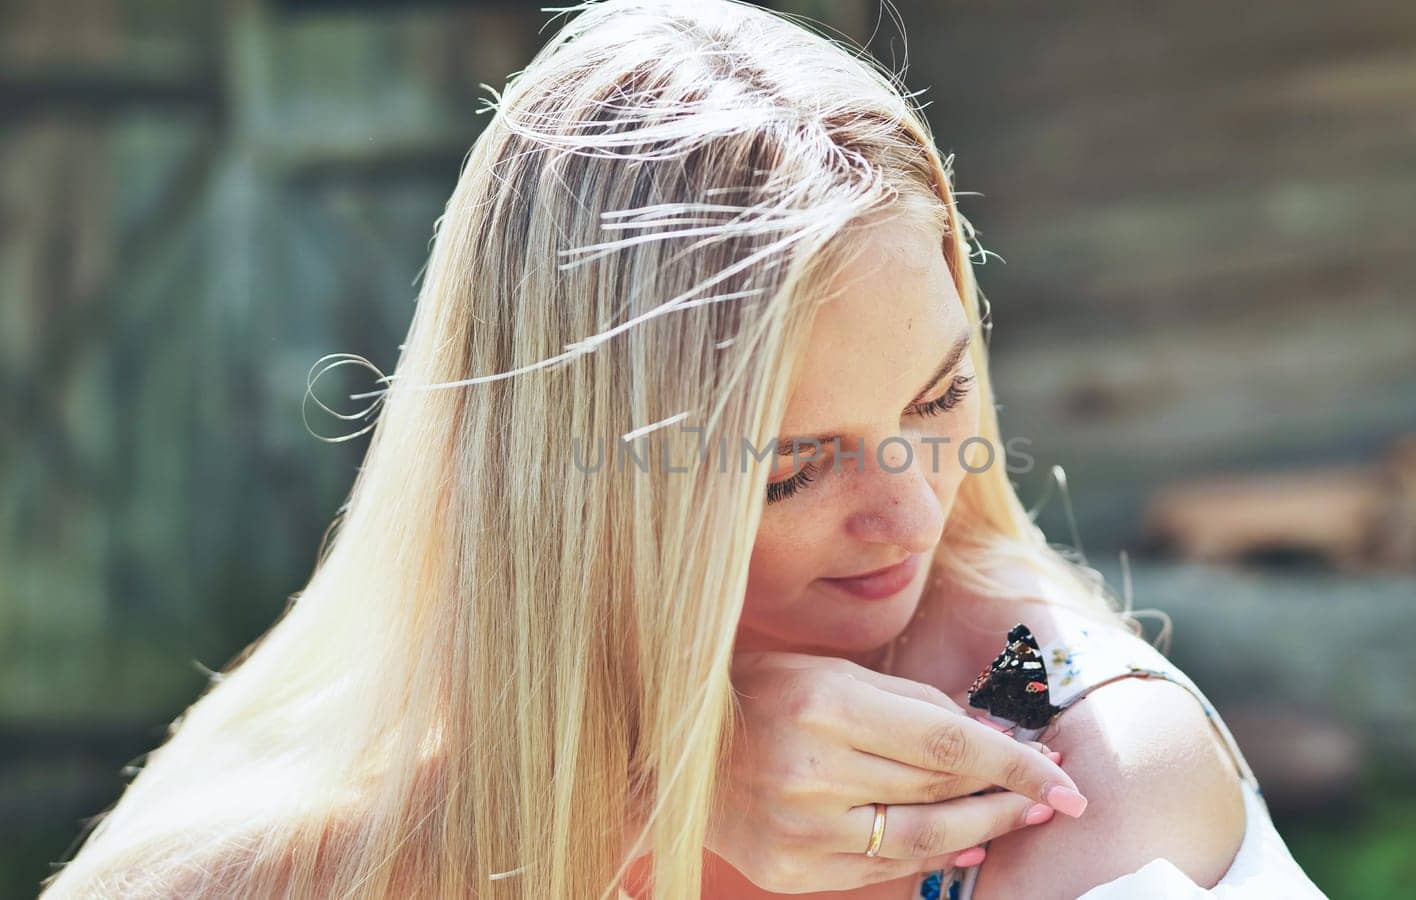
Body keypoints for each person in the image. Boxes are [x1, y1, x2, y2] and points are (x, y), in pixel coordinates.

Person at [40, 1, 1327, 897]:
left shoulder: (1071, 762)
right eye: (789, 466)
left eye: (937, 404)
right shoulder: (445, 727)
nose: (910, 515)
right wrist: (651, 789)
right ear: (562, 473)